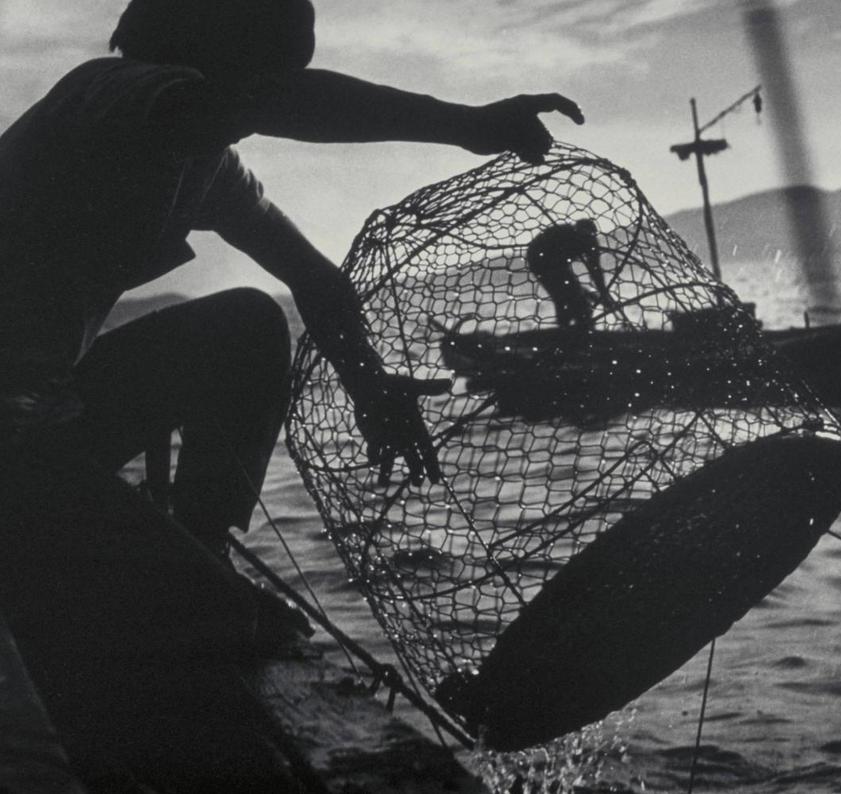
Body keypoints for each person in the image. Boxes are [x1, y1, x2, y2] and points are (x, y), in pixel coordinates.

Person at [0, 0, 582, 789]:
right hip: (15, 450)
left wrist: (371, 383)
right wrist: (466, 123)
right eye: (271, 65)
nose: (283, 76)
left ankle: (201, 541)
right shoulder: (112, 92)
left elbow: (312, 276)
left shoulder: (203, 162)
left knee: (247, 323)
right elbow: (274, 102)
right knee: (219, 624)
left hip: (42, 423)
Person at [526, 219, 618, 329]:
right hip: (539, 261)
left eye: (587, 236)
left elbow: (595, 270)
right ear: (575, 230)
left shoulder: (590, 242)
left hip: (558, 265)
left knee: (572, 298)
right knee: (565, 298)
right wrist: (594, 295)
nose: (583, 239)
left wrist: (604, 294)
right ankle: (570, 329)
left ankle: (577, 328)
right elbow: (562, 278)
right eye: (580, 235)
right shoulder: (562, 234)